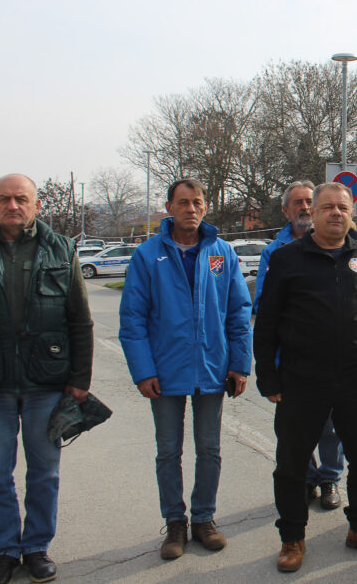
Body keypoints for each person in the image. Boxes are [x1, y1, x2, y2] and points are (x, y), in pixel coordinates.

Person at [254, 183, 357, 571]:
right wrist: (268, 377)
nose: (336, 213)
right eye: (328, 207)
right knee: (291, 464)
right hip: (302, 379)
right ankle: (292, 538)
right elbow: (266, 323)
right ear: (313, 214)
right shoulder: (286, 259)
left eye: (343, 207)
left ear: (352, 213)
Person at [120, 178, 253, 560]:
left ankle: (204, 518)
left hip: (212, 369)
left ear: (205, 206)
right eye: (182, 202)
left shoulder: (221, 253)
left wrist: (239, 364)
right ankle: (175, 523)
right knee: (168, 451)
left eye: (197, 202)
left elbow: (238, 312)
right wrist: (144, 371)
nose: (190, 209)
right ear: (169, 208)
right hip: (165, 372)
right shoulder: (148, 256)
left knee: (209, 449)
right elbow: (133, 319)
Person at [0, 175, 93, 584]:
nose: (12, 205)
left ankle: (36, 547)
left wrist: (80, 378)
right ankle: (6, 551)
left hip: (47, 382)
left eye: (21, 198)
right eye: (4, 199)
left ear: (36, 205)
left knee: (44, 472)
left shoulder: (61, 249)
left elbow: (80, 320)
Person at [254, 181, 346, 511]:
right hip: (291, 360)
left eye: (309, 201)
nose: (304, 208)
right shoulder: (275, 253)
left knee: (331, 426)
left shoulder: (339, 244)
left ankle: (330, 478)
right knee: (296, 427)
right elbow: (263, 305)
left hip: (332, 360)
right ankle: (306, 478)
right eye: (297, 203)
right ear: (285, 211)